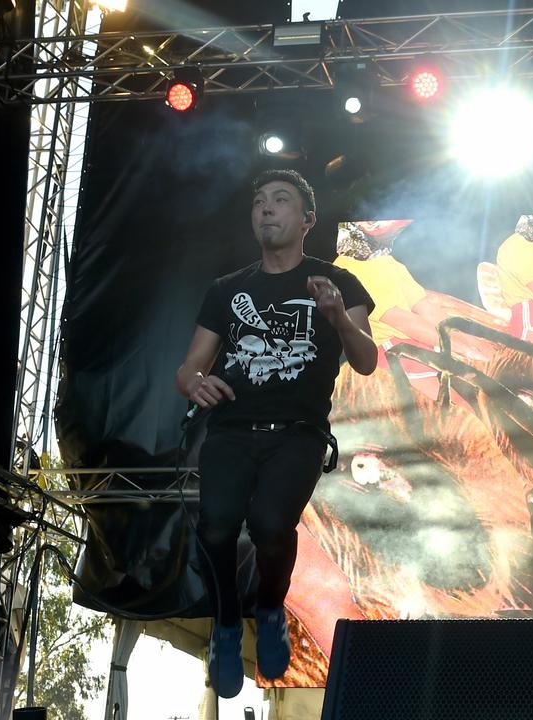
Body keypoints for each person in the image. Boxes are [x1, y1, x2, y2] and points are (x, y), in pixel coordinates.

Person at [175, 169, 378, 698]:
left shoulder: (340, 284)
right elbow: (189, 369)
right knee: (216, 526)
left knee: (269, 524)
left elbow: (367, 360)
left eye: (280, 200)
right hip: (231, 429)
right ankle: (224, 624)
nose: (266, 208)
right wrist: (196, 385)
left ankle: (269, 609)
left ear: (307, 219)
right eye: (260, 201)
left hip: (298, 433)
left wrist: (336, 316)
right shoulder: (227, 290)